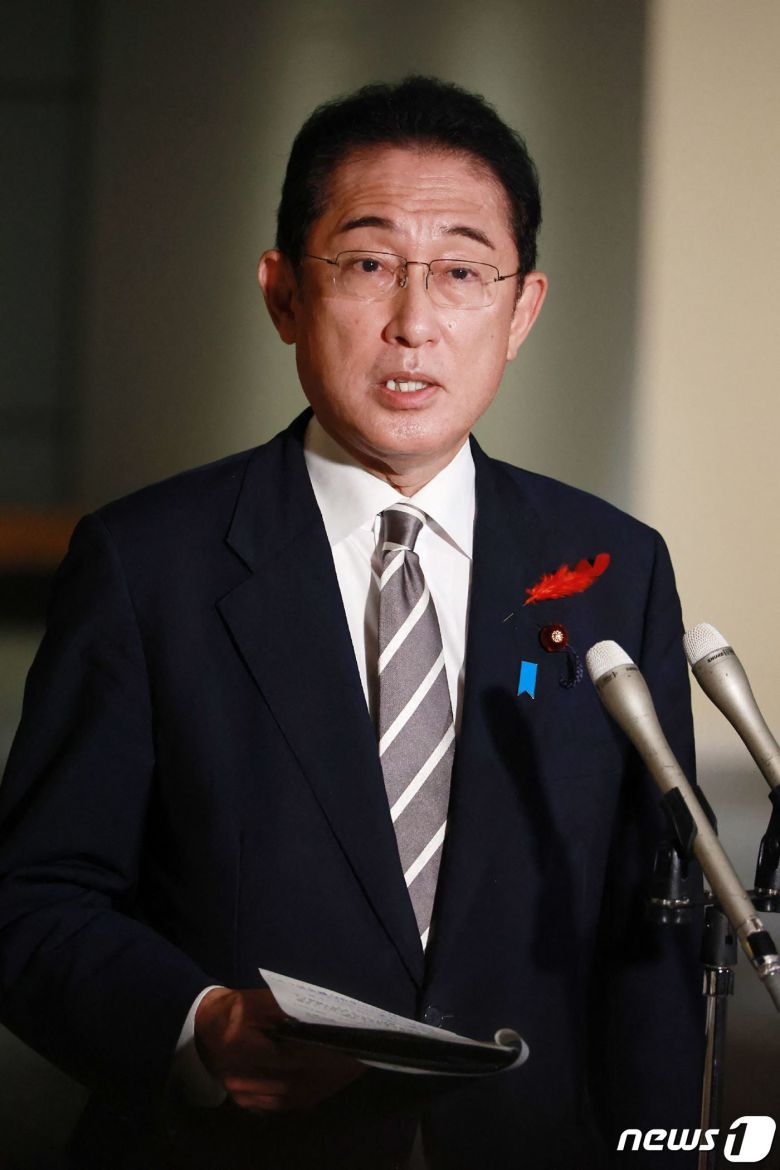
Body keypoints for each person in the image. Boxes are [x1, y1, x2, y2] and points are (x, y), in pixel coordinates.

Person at [0, 77, 704, 1168]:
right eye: (369, 264)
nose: (414, 323)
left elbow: (655, 927)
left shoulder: (614, 568)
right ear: (284, 294)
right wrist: (196, 1026)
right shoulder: (147, 564)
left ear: (521, 311)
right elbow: (32, 900)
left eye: (462, 272)